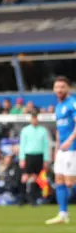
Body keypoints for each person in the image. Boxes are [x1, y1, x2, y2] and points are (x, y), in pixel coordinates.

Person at [46, 76, 76, 224]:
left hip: (73, 148)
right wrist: (57, 147)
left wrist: (70, 140)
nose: (59, 90)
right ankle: (63, 214)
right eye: (57, 87)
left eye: (62, 87)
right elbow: (59, 129)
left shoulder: (72, 103)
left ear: (68, 88)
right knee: (59, 180)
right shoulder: (58, 106)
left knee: (71, 182)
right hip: (62, 149)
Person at [18, 111, 50, 206]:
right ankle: (22, 198)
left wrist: (46, 159)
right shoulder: (25, 130)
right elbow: (22, 145)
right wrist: (22, 158)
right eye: (33, 118)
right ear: (31, 119)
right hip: (29, 156)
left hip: (39, 156)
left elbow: (45, 145)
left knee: (36, 178)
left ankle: (33, 199)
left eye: (36, 118)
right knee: (24, 177)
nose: (34, 120)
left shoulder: (43, 131)